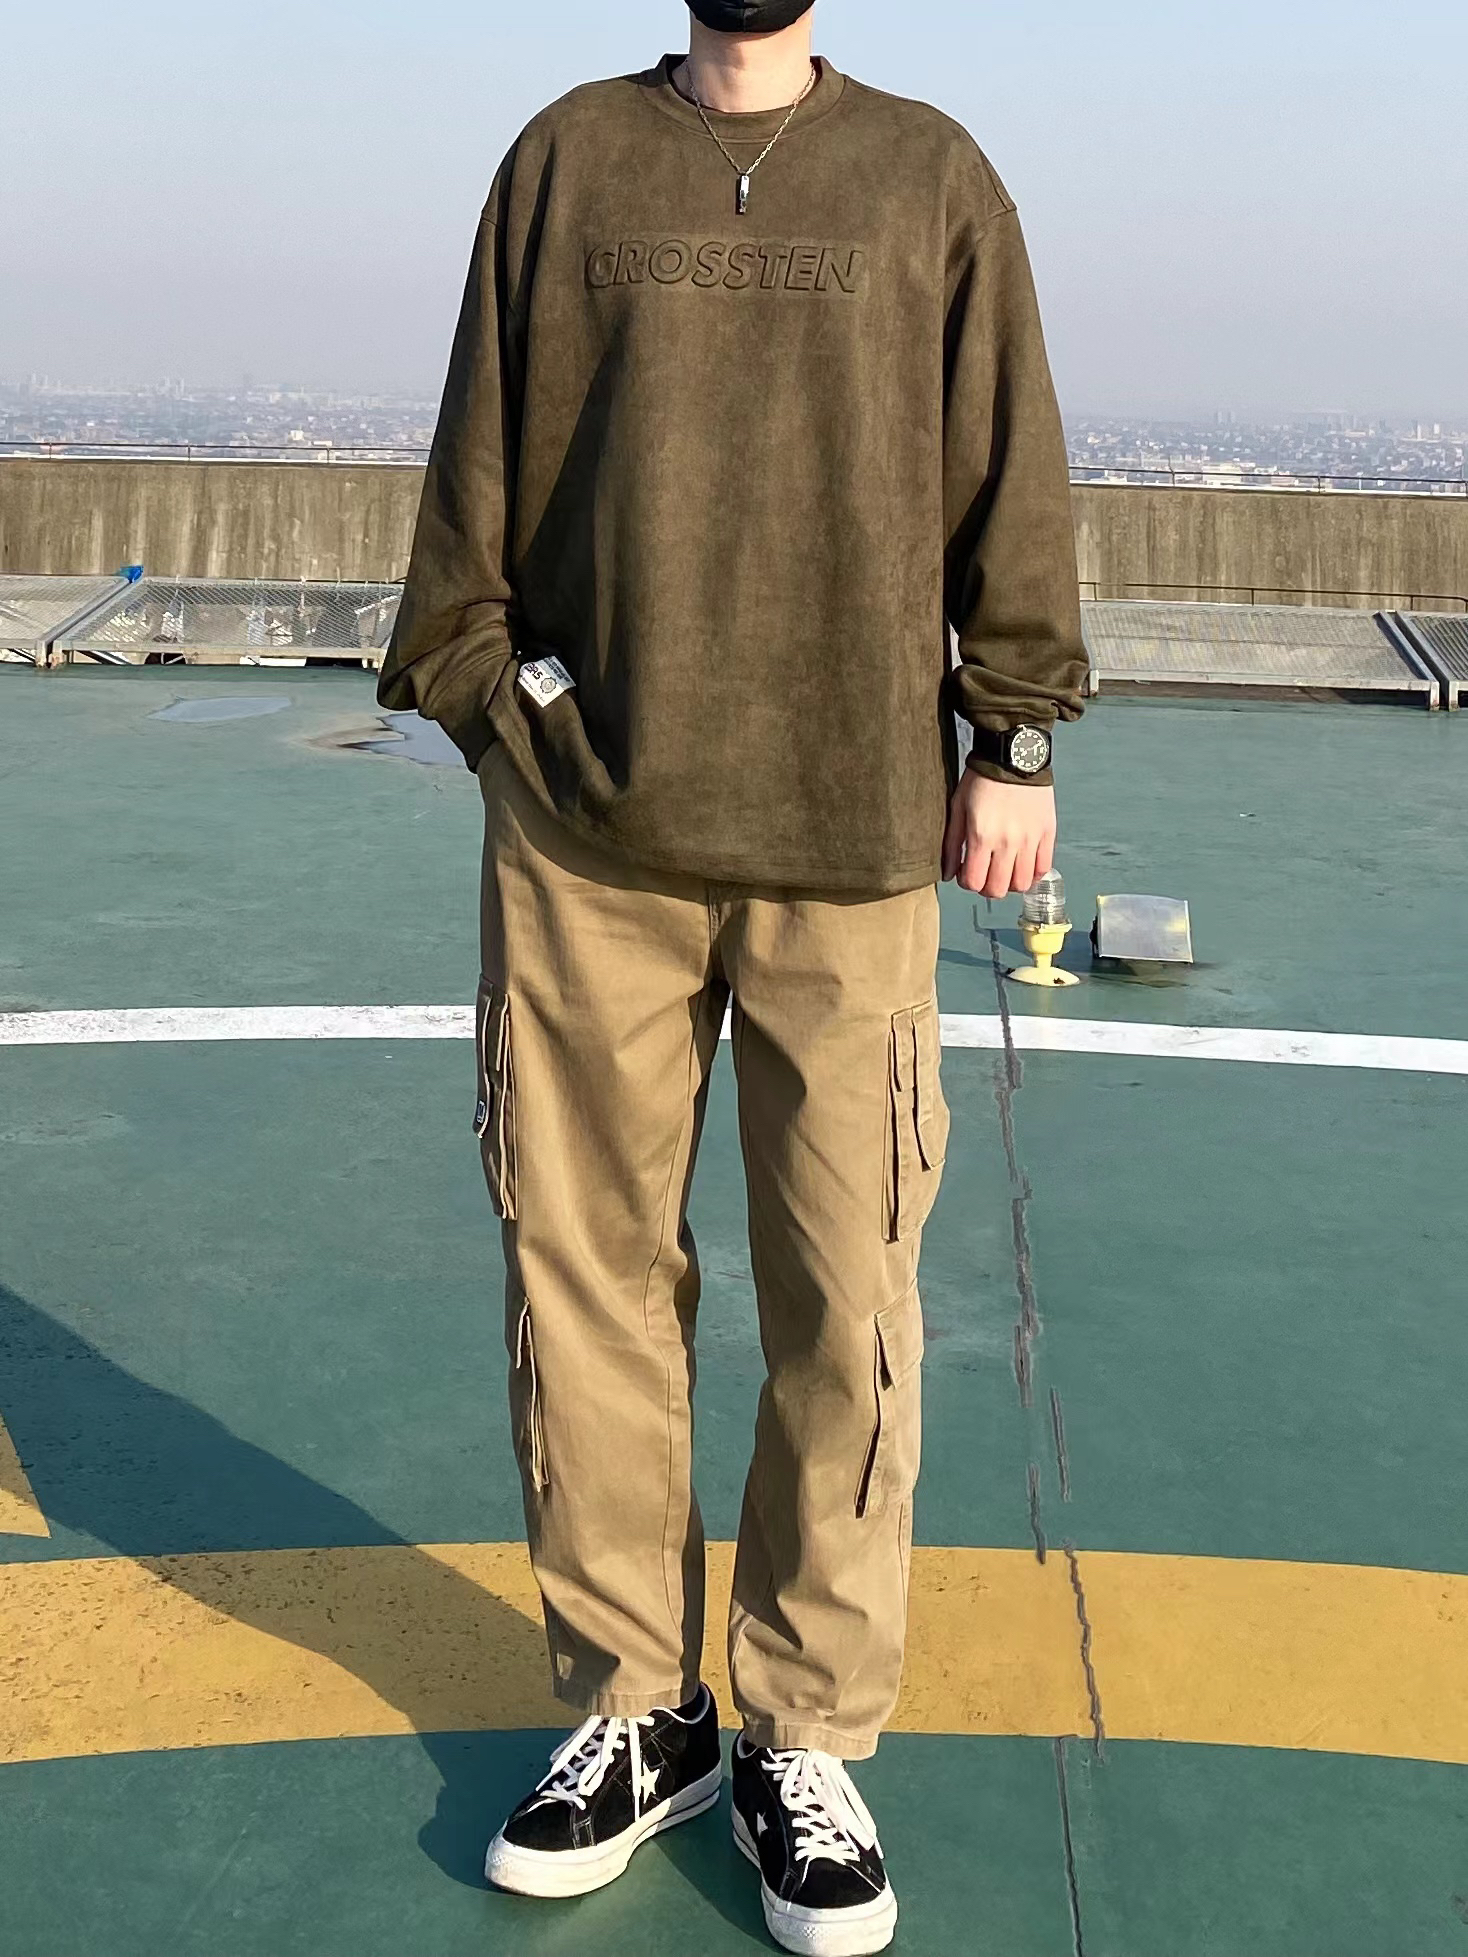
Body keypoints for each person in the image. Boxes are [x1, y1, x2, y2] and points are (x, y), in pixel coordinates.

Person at [379, 0, 1086, 1948]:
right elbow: (469, 492)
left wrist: (1013, 732)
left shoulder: (928, 176)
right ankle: (635, 1707)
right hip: (584, 839)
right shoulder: (564, 162)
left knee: (843, 1295)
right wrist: (500, 711)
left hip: (847, 833)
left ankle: (800, 1726)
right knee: (584, 1270)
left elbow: (1009, 464)